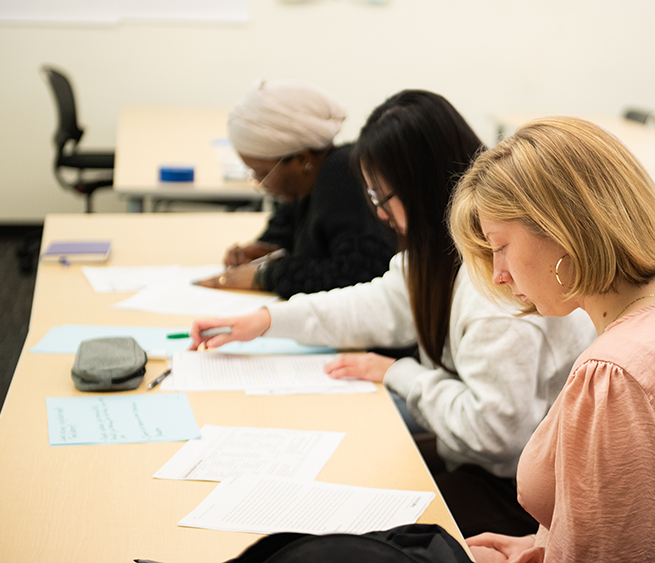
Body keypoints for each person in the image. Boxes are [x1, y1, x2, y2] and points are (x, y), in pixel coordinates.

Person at [190, 90, 596, 538]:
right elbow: (376, 304)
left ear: (420, 187)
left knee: (365, 518)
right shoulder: (440, 255)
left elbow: (495, 438)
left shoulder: (496, 289)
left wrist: (397, 372)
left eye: (382, 196)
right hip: (489, 466)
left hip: (523, 495)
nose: (378, 212)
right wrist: (268, 320)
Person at [449, 116, 655, 563]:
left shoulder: (613, 377)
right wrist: (540, 549)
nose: (499, 274)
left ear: (562, 231)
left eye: (500, 246)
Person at [196, 79, 395, 297]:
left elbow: (359, 273)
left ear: (301, 159)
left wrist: (266, 276)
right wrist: (269, 247)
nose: (260, 184)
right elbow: (291, 225)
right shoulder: (307, 183)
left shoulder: (344, 176)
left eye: (262, 173)